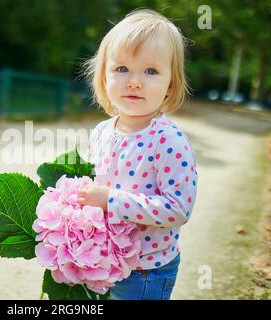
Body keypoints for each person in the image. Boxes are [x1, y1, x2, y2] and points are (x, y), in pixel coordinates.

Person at [78, 9, 198, 300]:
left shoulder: (168, 140)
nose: (134, 81)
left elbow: (178, 208)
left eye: (151, 71)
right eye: (121, 69)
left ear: (170, 83)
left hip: (145, 270)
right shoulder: (102, 132)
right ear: (104, 76)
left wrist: (111, 200)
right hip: (104, 261)